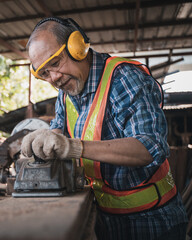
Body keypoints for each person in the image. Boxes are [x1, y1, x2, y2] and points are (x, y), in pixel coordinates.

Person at [21, 17, 188, 240]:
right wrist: (45, 140)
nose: (54, 78)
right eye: (44, 73)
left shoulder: (124, 79)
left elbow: (151, 146)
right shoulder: (65, 94)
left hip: (152, 220)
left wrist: (73, 147)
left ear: (77, 46)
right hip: (105, 219)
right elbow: (58, 132)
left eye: (55, 62)